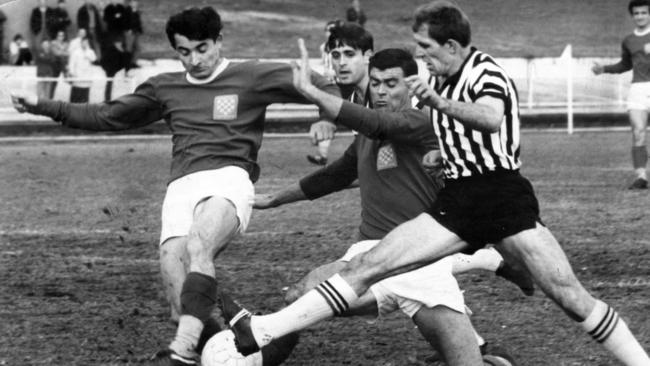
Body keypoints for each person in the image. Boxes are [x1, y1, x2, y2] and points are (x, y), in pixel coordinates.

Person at [222, 2, 650, 365]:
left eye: (425, 47)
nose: (421, 55)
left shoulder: (486, 73)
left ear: (451, 45)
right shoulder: (437, 80)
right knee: (369, 265)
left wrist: (436, 102)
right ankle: (260, 330)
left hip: (502, 198)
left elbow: (490, 117)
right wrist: (442, 153)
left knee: (570, 297)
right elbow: (359, 154)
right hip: (457, 202)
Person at [11, 6, 339, 366]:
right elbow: (108, 115)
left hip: (229, 177)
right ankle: (256, 348)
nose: (194, 59)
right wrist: (44, 107)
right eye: (184, 51)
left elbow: (321, 83)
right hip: (181, 187)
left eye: (202, 48)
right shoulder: (164, 87)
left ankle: (180, 352)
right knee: (178, 304)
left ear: (219, 42)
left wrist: (325, 120)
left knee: (200, 245)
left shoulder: (252, 75)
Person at [250, 45, 527, 365]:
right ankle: (253, 358)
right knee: (298, 295)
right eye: (377, 82)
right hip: (368, 257)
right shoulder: (368, 134)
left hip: (420, 262)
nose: (381, 91)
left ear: (411, 85)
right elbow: (335, 176)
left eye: (391, 83)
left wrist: (314, 94)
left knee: (467, 361)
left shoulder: (418, 122)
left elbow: (379, 123)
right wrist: (275, 200)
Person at [593, 0, 650, 190]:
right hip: (638, 90)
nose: (640, 16)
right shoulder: (629, 41)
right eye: (637, 13)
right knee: (638, 132)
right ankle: (641, 176)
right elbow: (625, 65)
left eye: (644, 12)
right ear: (632, 16)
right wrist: (604, 69)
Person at [306, 20, 340, 166]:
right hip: (329, 87)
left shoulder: (342, 46)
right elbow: (324, 64)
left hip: (343, 86)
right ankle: (322, 155)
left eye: (333, 30)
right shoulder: (323, 47)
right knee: (326, 118)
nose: (330, 33)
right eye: (328, 30)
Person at [67, 37, 97, 103]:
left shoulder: (90, 51)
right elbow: (71, 63)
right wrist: (72, 73)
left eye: (86, 42)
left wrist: (87, 52)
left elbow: (94, 59)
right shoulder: (76, 52)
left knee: (85, 97)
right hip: (77, 77)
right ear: (81, 43)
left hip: (87, 77)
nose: (85, 44)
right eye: (84, 42)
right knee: (75, 97)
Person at [49, 29, 69, 99]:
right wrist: (63, 51)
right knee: (53, 83)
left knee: (63, 60)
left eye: (62, 35)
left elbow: (68, 53)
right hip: (55, 64)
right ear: (57, 36)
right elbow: (56, 53)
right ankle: (50, 98)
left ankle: (66, 74)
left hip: (62, 63)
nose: (61, 37)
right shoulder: (53, 43)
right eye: (59, 35)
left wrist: (60, 51)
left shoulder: (66, 44)